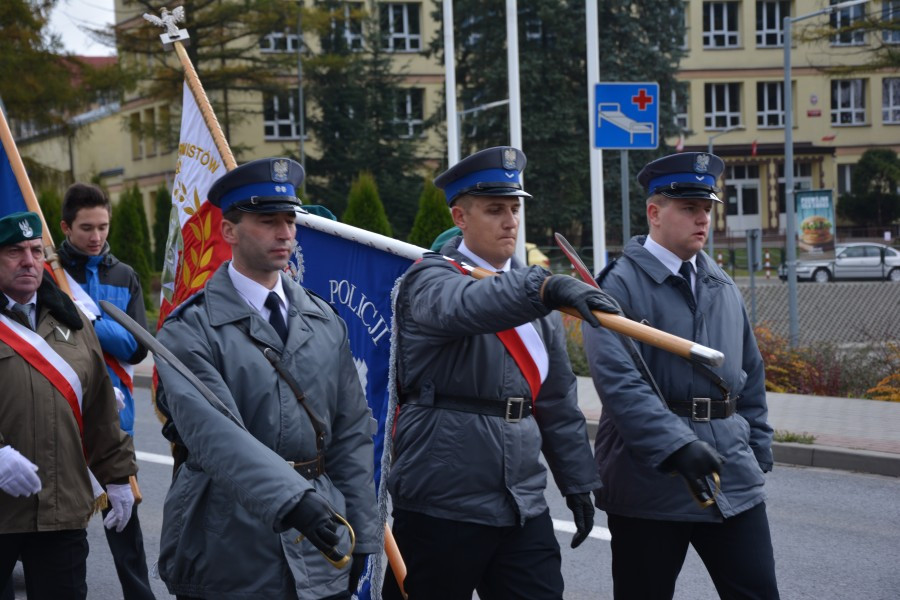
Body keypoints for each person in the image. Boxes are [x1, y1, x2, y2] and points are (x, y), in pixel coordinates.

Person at [384, 146, 621, 600]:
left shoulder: (537, 295)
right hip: (443, 497)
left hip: (521, 501)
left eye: (515, 208)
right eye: (495, 210)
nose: (510, 220)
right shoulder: (431, 279)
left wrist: (577, 483)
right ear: (460, 217)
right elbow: (465, 307)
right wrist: (543, 286)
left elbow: (555, 401)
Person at [153, 157, 378, 600]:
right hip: (226, 541)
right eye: (267, 220)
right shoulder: (189, 329)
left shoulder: (323, 320)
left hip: (320, 539)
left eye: (290, 220)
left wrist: (364, 537)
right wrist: (295, 502)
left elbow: (351, 435)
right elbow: (215, 435)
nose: (285, 233)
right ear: (229, 231)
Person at [582, 152, 779, 599]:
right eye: (689, 208)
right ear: (655, 213)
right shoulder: (616, 286)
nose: (702, 219)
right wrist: (676, 446)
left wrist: (759, 443)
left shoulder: (721, 283)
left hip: (731, 470)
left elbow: (749, 371)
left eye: (707, 209)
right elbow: (620, 386)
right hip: (649, 481)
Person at [0, 211, 137, 599]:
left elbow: (99, 409)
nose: (29, 261)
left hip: (62, 510)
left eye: (34, 251)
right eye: (14, 251)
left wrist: (116, 476)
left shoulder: (72, 319)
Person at [58, 182, 155, 600]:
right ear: (65, 227)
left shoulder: (124, 275)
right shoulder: (51, 275)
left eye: (103, 226)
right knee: (64, 528)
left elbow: (136, 346)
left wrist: (90, 324)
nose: (96, 237)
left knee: (124, 520)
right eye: (86, 228)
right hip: (62, 414)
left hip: (116, 419)